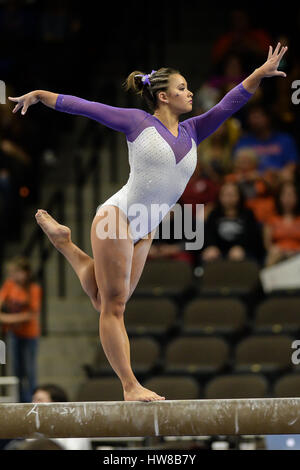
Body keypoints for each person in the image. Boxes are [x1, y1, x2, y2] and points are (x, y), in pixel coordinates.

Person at [8, 42, 288, 402]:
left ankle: (65, 244)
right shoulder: (138, 122)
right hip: (118, 218)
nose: (190, 93)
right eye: (183, 88)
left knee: (101, 300)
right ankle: (129, 386)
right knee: (114, 306)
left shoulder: (194, 131)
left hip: (144, 230)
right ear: (162, 96)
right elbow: (86, 108)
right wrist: (42, 95)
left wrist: (258, 75)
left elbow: (228, 104)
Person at [0, 256, 42, 402]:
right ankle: (20, 401)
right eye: (11, 273)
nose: (13, 276)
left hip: (30, 335)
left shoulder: (34, 289)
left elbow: (32, 315)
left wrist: (6, 318)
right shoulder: (9, 285)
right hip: (15, 334)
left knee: (30, 371)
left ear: (26, 273)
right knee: (17, 371)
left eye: (16, 272)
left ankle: (32, 400)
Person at [201, 181, 265, 264]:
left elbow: (253, 237)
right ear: (220, 197)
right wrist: (211, 247)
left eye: (232, 195)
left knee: (238, 256)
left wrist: (241, 247)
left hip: (244, 251)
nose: (229, 198)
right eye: (225, 195)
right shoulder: (214, 214)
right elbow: (208, 235)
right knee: (209, 255)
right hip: (219, 251)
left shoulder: (248, 214)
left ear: (239, 196)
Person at [263, 181, 300, 267]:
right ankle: (267, 278)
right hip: (277, 255)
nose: (288, 198)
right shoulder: (272, 219)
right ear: (279, 197)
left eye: (291, 195)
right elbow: (267, 244)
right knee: (274, 252)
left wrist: (294, 251)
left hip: (297, 255)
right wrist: (281, 251)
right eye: (285, 195)